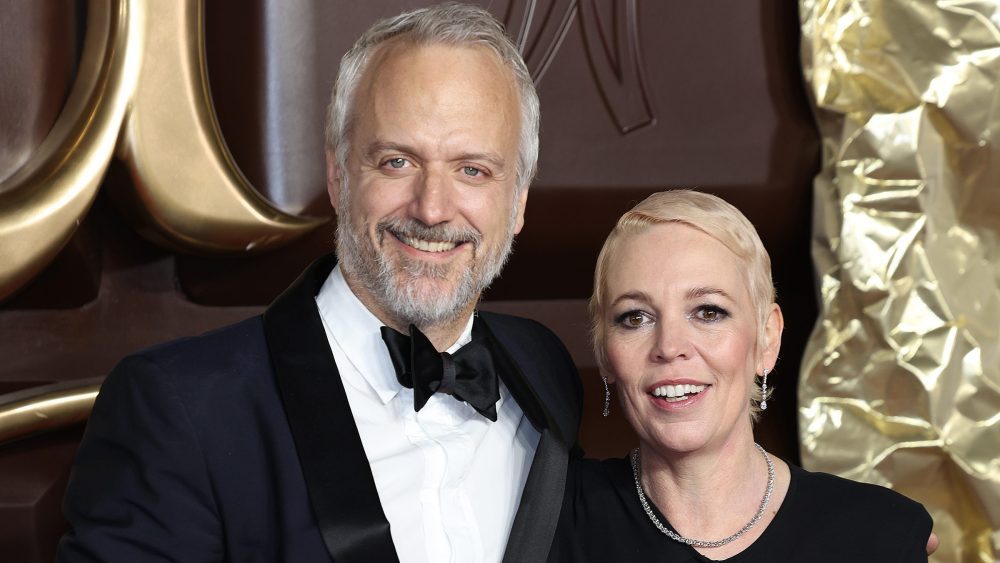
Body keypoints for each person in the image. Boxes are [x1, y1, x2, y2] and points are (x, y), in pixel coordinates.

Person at [57, 4, 581, 562]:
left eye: (472, 169)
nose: (432, 208)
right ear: (337, 176)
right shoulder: (181, 409)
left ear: (518, 201)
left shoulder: (543, 369)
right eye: (397, 161)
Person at [549, 190, 933, 562]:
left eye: (708, 312)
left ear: (767, 338)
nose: (669, 346)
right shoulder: (546, 521)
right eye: (635, 317)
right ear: (604, 353)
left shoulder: (879, 535)